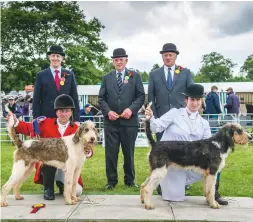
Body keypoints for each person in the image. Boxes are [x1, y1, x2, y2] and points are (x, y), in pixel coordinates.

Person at [145, 83, 228, 205]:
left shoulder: (204, 123)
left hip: (191, 163)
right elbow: (156, 127)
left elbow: (209, 148)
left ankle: (213, 193)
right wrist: (151, 117)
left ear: (202, 100)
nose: (195, 103)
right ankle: (160, 185)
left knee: (215, 164)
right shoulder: (174, 113)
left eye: (198, 100)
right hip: (171, 159)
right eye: (192, 100)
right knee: (173, 197)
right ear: (186, 100)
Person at [12, 94, 86, 200]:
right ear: (56, 112)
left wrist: (88, 152)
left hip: (68, 166)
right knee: (48, 161)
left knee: (78, 191)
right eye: (61, 111)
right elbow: (28, 128)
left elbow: (88, 150)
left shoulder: (77, 128)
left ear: (71, 112)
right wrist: (15, 122)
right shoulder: (45, 122)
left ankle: (62, 185)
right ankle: (48, 187)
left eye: (67, 111)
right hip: (48, 165)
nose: (64, 114)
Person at [98, 48, 145, 189]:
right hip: (111, 123)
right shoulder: (107, 77)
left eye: (121, 59)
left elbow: (141, 96)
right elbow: (101, 98)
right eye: (116, 59)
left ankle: (130, 180)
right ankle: (111, 182)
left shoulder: (134, 76)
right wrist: (108, 112)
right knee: (111, 154)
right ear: (113, 61)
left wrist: (131, 109)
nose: (118, 62)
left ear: (126, 60)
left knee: (128, 154)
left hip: (129, 122)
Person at [148, 43, 193, 141]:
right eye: (165, 55)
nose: (168, 57)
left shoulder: (185, 73)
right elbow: (151, 99)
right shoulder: (153, 74)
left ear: (175, 56)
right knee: (162, 152)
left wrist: (190, 115)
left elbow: (191, 95)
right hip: (161, 119)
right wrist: (155, 118)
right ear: (162, 57)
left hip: (181, 118)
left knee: (182, 151)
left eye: (170, 55)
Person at [32, 45, 80, 122]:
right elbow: (36, 99)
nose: (55, 58)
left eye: (58, 56)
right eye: (53, 56)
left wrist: (76, 119)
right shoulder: (40, 75)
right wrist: (36, 118)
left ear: (62, 58)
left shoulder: (70, 75)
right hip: (46, 118)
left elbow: (75, 98)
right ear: (49, 57)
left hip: (65, 118)